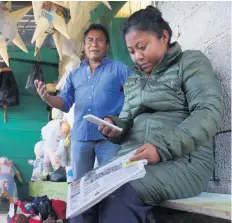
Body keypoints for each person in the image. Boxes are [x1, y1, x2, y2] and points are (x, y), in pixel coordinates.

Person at [96, 5, 223, 223]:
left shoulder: (189, 62)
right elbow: (126, 118)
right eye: (132, 51)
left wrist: (161, 148)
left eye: (142, 47)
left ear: (164, 37)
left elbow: (208, 112)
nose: (137, 56)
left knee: (120, 193)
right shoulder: (134, 79)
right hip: (133, 161)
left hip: (182, 162)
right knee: (86, 192)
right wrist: (114, 126)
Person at [34, 23, 132, 181]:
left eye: (99, 40)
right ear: (84, 45)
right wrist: (47, 97)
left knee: (111, 183)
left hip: (109, 137)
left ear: (106, 45)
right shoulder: (74, 74)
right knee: (82, 185)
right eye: (90, 40)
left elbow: (136, 93)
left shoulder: (119, 69)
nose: (94, 44)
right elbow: (64, 103)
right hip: (81, 137)